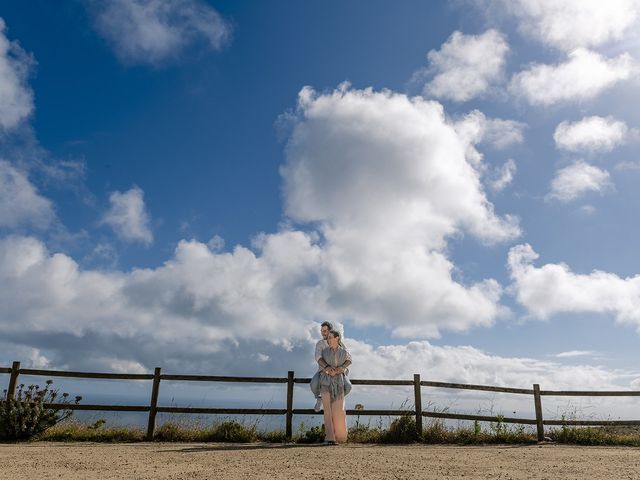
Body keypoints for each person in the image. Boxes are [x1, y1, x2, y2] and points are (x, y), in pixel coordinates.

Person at [318, 329, 352, 444]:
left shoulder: (344, 351)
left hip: (339, 383)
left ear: (337, 338)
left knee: (339, 410)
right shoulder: (325, 351)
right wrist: (328, 369)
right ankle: (329, 438)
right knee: (327, 410)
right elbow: (320, 362)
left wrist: (341, 369)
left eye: (330, 337)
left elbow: (349, 360)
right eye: (328, 338)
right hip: (326, 382)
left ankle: (340, 437)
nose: (328, 339)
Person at [310, 321, 332, 412]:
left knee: (348, 386)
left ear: (330, 331)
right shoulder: (320, 343)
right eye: (321, 331)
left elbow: (346, 355)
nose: (322, 333)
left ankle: (335, 400)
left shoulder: (338, 343)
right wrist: (326, 367)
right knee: (313, 384)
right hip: (322, 370)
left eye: (325, 331)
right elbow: (317, 357)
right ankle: (319, 398)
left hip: (337, 371)